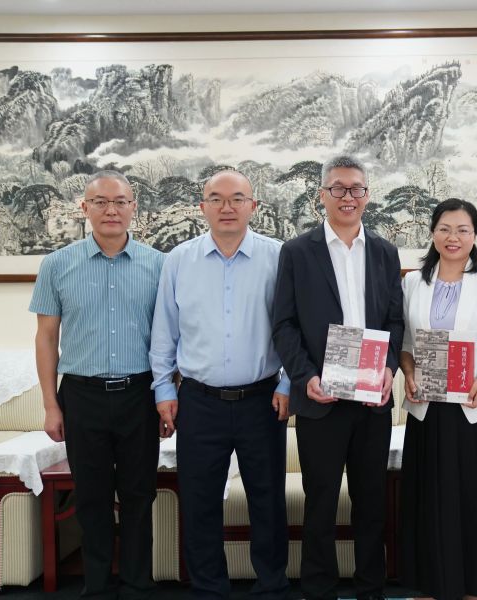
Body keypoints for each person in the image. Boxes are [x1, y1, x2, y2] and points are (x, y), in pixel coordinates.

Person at [149, 170, 291, 599]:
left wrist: (288, 384)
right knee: (200, 501)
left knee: (267, 500)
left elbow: (294, 327)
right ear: (202, 207)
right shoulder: (179, 260)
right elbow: (164, 332)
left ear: (253, 206)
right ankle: (210, 589)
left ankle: (271, 587)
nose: (227, 207)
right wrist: (164, 390)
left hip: (263, 400)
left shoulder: (278, 257)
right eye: (216, 198)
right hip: (199, 401)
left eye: (237, 198)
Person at [272, 155, 403, 600]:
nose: (348, 197)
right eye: (338, 189)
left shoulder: (384, 252)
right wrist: (305, 376)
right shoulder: (296, 252)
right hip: (320, 399)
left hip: (371, 401)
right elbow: (284, 324)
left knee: (371, 504)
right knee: (321, 504)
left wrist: (389, 369)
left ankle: (371, 589)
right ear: (322, 196)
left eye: (356, 188)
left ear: (367, 195)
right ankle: (319, 590)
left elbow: (395, 320)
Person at [30, 170, 165, 599]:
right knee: (91, 497)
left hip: (140, 394)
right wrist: (51, 405)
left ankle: (138, 584)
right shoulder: (57, 264)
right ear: (84, 208)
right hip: (81, 396)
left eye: (120, 201)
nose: (111, 210)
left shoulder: (158, 264)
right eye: (101, 202)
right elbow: (46, 338)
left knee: (139, 494)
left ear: (134, 208)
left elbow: (171, 337)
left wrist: (169, 395)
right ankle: (97, 587)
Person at [399, 198, 477, 600]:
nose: (453, 237)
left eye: (463, 230)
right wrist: (409, 373)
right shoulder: (412, 283)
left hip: (474, 410)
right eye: (445, 229)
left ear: (475, 235)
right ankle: (429, 588)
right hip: (427, 410)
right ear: (432, 233)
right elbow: (406, 344)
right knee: (428, 504)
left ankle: (473, 590)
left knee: (473, 504)